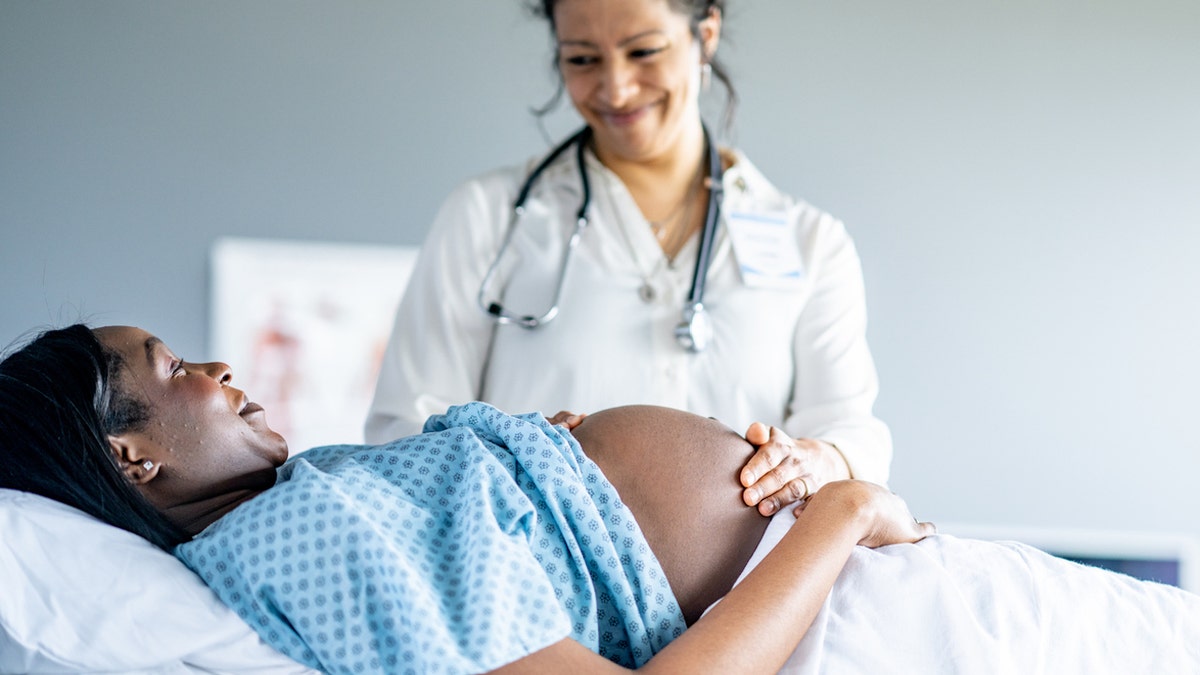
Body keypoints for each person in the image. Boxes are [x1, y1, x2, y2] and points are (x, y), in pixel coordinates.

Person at [3, 324, 1199, 673]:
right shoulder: (294, 538)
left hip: (859, 572)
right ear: (133, 463)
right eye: (168, 373)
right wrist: (838, 516)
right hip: (843, 603)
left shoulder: (313, 494)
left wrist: (527, 457)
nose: (213, 370)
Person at [366, 0, 892, 517]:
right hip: (536, 580)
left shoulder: (811, 241)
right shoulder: (487, 216)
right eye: (582, 59)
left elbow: (849, 432)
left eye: (643, 51)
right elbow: (403, 431)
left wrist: (821, 459)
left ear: (705, 34)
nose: (615, 88)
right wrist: (509, 450)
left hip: (746, 593)